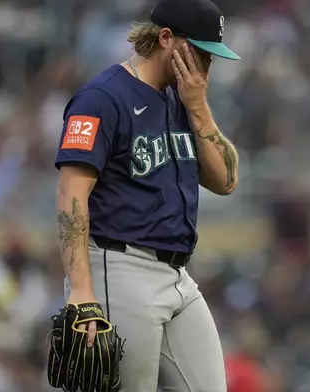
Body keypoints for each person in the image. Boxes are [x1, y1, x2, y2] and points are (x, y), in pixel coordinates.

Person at [53, 0, 241, 390]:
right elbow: (72, 194)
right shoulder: (102, 98)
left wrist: (199, 106)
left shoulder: (184, 100)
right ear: (166, 38)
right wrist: (82, 293)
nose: (207, 64)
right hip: (120, 268)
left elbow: (226, 180)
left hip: (177, 276)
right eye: (201, 51)